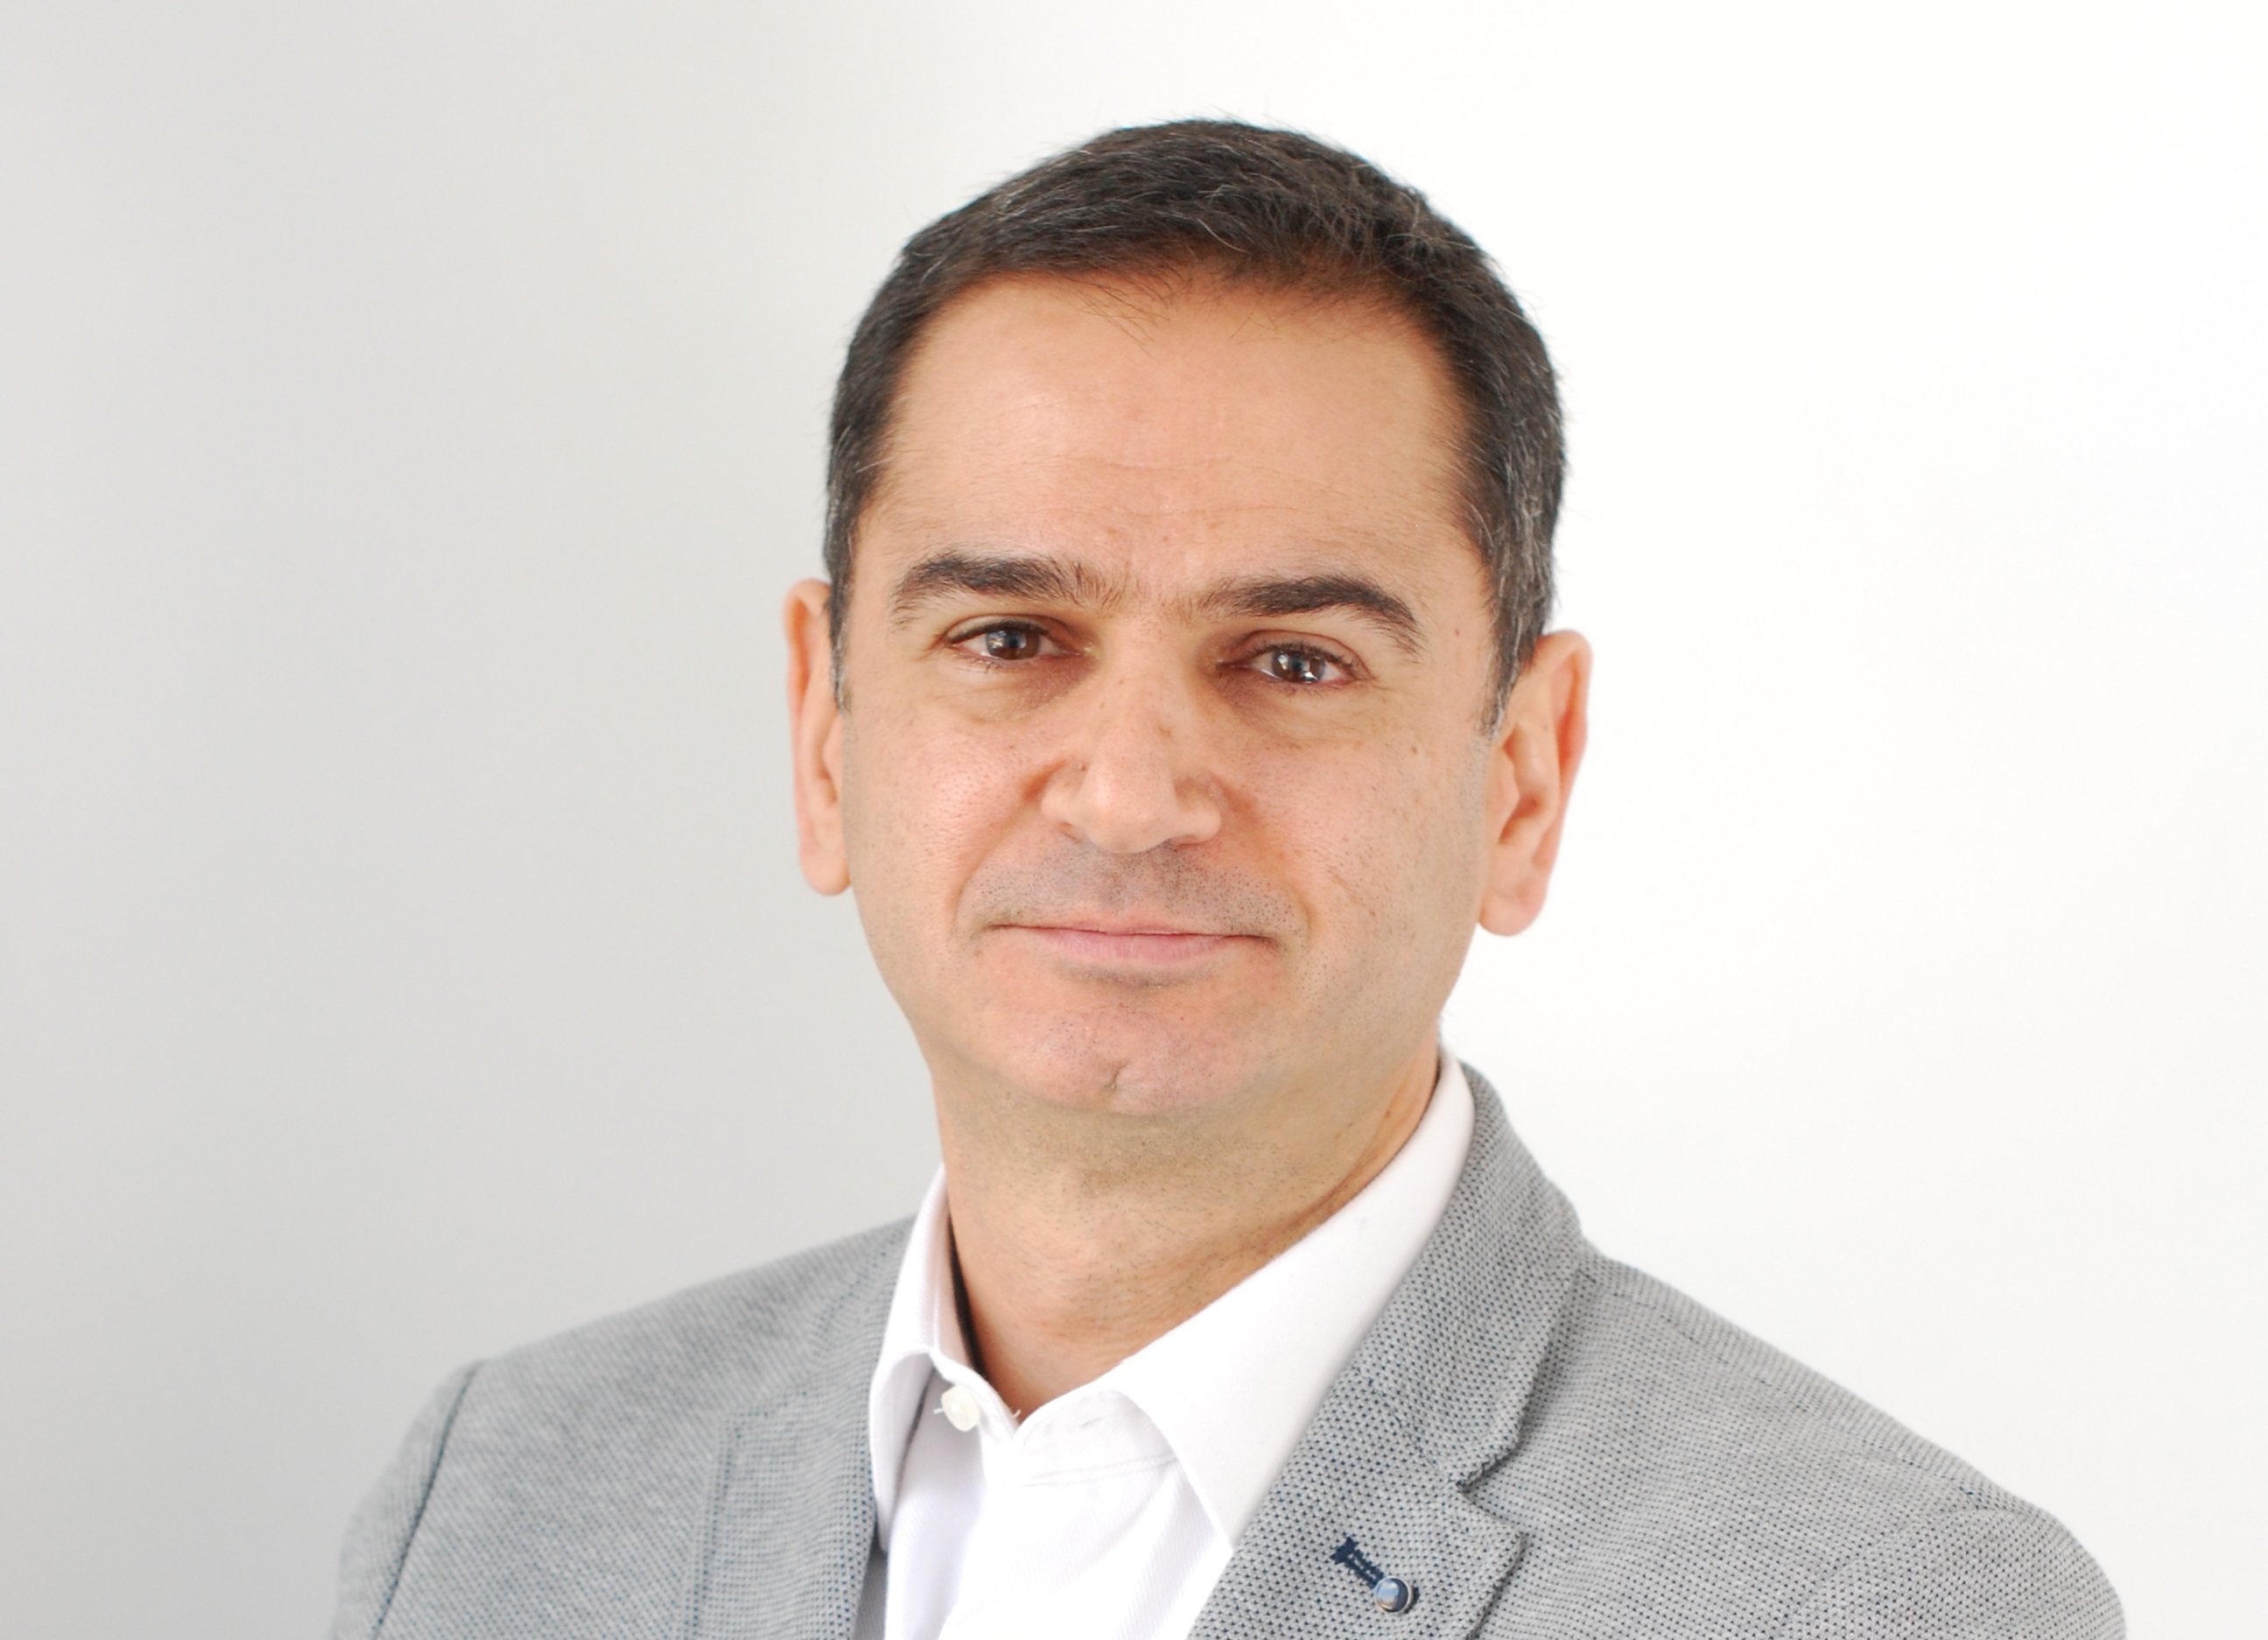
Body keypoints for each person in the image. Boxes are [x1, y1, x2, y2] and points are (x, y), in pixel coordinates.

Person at [330, 121, 2120, 1640]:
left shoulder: (1884, 1602)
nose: (1130, 796)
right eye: (1010, 636)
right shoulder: (500, 1495)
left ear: (1522, 776)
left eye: (1293, 660)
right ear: (824, 731)